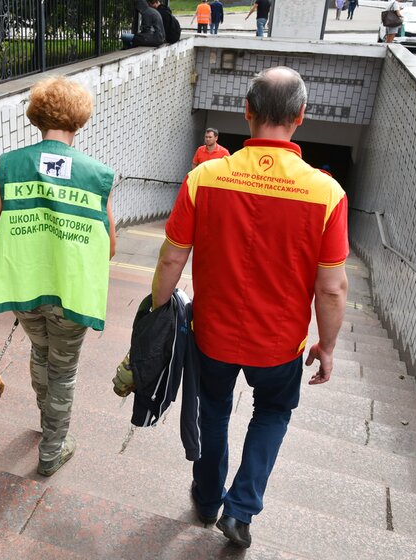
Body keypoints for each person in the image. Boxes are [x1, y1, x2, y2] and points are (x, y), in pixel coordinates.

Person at [151, 66, 349, 548]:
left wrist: (157, 317)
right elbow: (332, 288)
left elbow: (173, 257)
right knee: (272, 413)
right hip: (280, 344)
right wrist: (326, 345)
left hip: (212, 334)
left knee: (213, 410)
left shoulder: (204, 177)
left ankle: (206, 497)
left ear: (247, 111)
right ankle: (240, 510)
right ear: (301, 116)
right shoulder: (327, 192)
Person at [0, 76, 117, 477]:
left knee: (41, 351)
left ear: (37, 117)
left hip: (24, 291)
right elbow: (109, 247)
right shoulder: (97, 175)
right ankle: (52, 448)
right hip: (70, 296)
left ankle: (47, 421)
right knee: (62, 368)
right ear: (79, 120)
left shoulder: (9, 165)